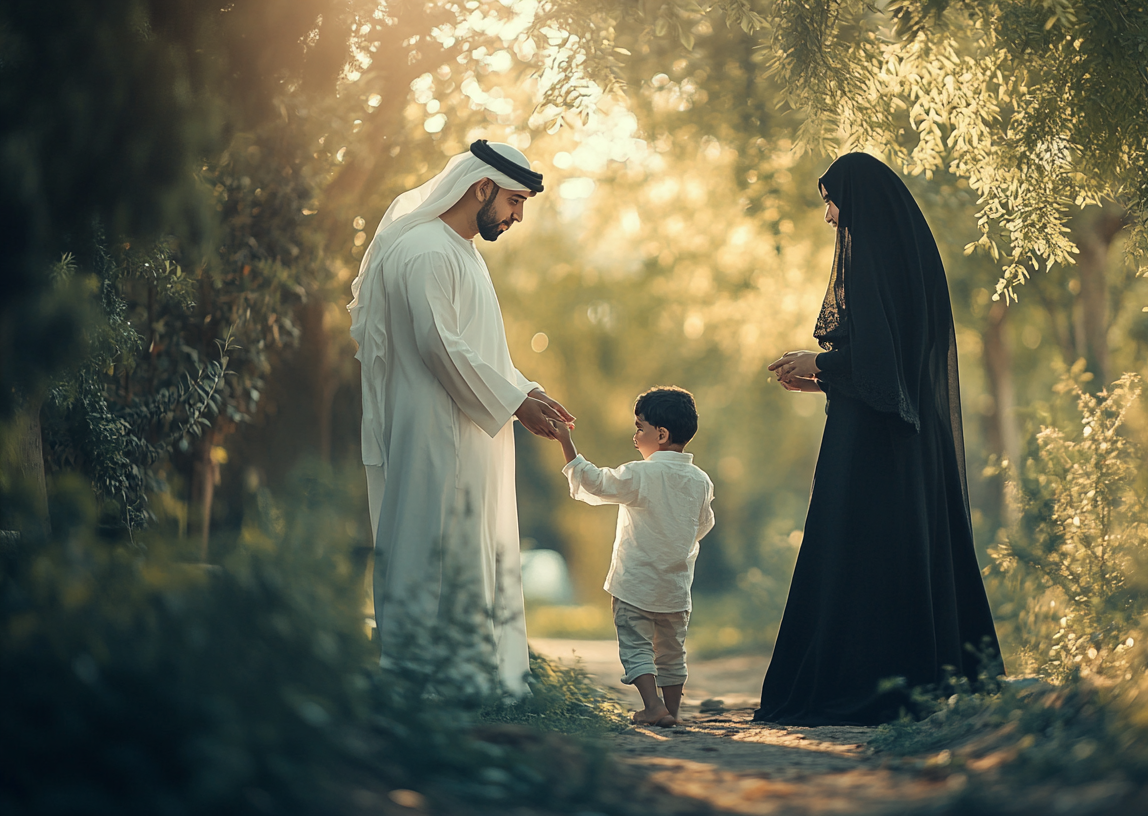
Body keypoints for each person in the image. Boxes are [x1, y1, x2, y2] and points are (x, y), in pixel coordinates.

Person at [756, 152, 1003, 726]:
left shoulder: (871, 261)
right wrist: (821, 378)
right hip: (908, 445)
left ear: (857, 199)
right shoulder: (910, 259)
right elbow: (894, 374)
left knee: (858, 554)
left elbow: (876, 365)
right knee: (892, 554)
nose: (827, 216)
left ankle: (861, 685)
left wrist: (816, 362)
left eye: (830, 200)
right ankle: (914, 681)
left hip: (873, 451)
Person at [347, 140, 573, 697]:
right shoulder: (426, 250)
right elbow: (438, 346)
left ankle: (466, 682)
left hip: (463, 425)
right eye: (516, 201)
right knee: (428, 548)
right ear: (482, 187)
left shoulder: (459, 250)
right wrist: (514, 403)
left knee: (463, 546)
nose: (518, 215)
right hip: (432, 429)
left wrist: (528, 393)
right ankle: (419, 687)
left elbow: (479, 349)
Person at [549, 387, 715, 727]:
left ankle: (652, 706)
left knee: (637, 646)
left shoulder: (641, 474)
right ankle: (673, 711)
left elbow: (594, 482)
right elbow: (703, 525)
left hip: (635, 583)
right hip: (675, 589)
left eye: (640, 427)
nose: (635, 436)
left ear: (662, 434)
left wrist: (566, 441)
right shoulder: (701, 481)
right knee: (672, 653)